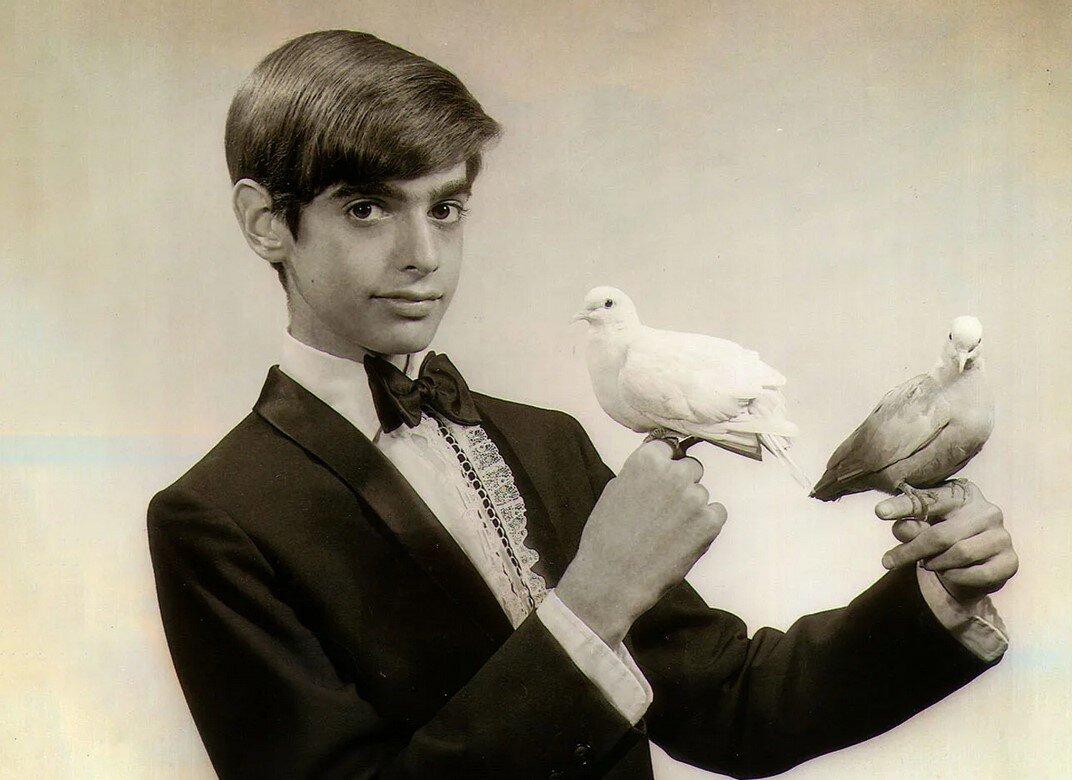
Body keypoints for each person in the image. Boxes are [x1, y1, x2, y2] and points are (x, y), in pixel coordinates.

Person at [147, 30, 1018, 779]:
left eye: (446, 209)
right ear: (266, 222)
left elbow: (733, 707)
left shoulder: (547, 443)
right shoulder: (218, 519)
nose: (424, 255)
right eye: (368, 208)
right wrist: (594, 601)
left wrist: (936, 594)